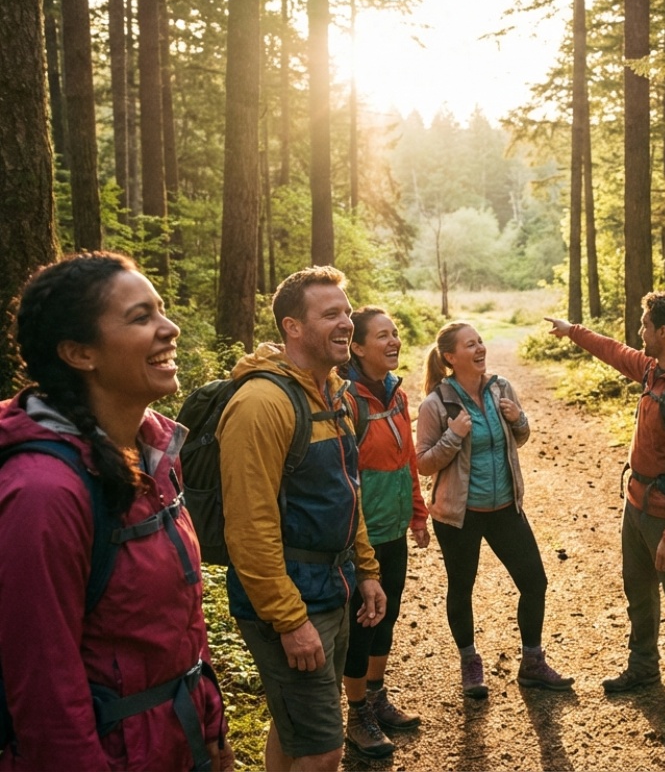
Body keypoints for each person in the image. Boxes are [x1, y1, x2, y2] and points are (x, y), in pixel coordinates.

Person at [0, 252, 231, 770]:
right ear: (80, 352)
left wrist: (211, 722)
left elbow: (181, 618)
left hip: (178, 740)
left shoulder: (155, 452)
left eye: (161, 310)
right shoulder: (43, 493)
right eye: (140, 317)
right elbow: (44, 696)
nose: (169, 328)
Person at [218, 266, 385, 772]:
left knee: (296, 729)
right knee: (323, 748)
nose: (346, 324)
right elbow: (249, 527)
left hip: (331, 589)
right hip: (289, 604)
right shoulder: (261, 404)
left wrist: (368, 569)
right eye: (330, 314)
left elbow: (347, 490)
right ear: (292, 327)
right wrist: (290, 620)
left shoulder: (331, 394)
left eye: (348, 313)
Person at [545, 291, 665, 721]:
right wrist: (573, 331)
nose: (640, 332)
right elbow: (615, 352)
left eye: (645, 325)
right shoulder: (655, 370)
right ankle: (644, 667)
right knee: (638, 593)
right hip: (637, 506)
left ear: (663, 331)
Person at [415, 322, 572, 698]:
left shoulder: (501, 387)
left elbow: (520, 437)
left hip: (505, 509)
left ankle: (532, 662)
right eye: (471, 345)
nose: (480, 348)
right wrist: (454, 434)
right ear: (450, 357)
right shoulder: (436, 403)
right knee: (462, 587)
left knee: (534, 582)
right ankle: (470, 662)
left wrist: (518, 418)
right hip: (459, 515)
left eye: (481, 341)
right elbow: (422, 463)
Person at [339, 306, 430, 757]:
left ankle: (375, 696)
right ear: (356, 347)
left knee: (387, 617)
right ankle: (356, 714)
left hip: (393, 527)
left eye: (395, 333)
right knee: (363, 625)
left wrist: (417, 512)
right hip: (360, 536)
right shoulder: (346, 399)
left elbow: (408, 457)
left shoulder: (396, 392)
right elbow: (342, 475)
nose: (393, 341)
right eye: (382, 336)